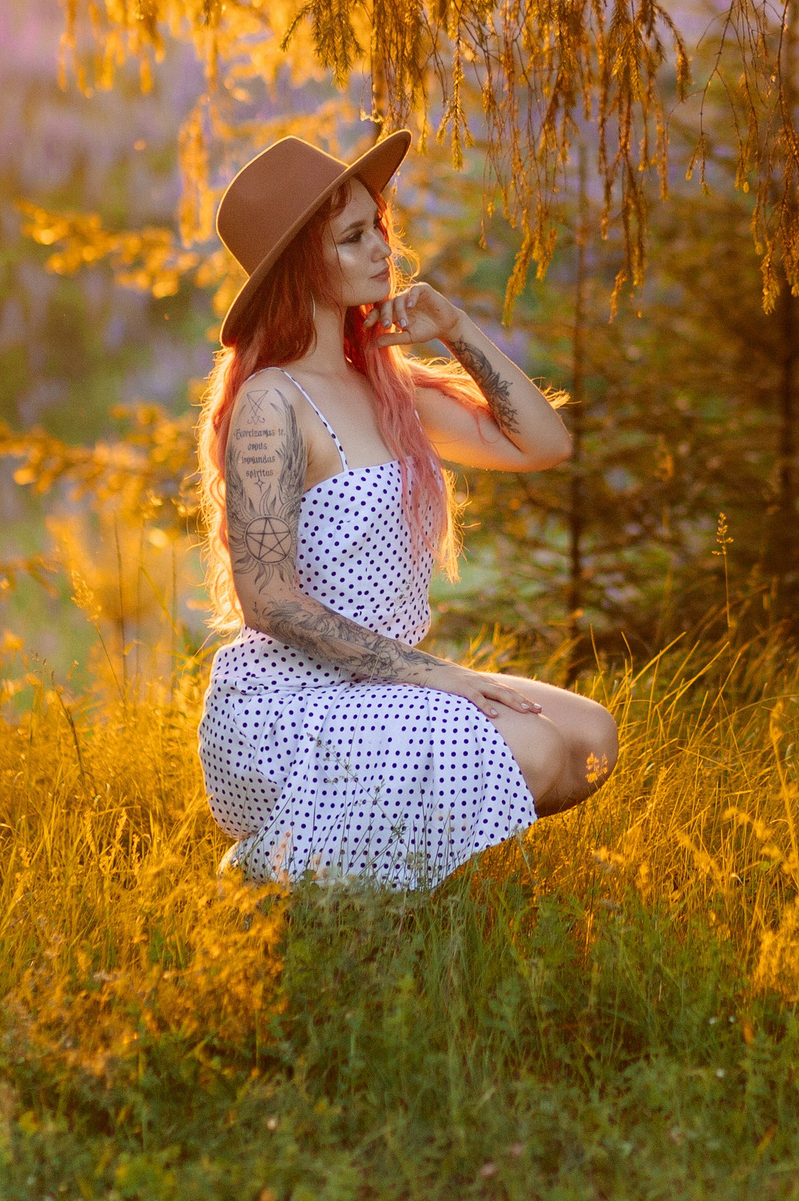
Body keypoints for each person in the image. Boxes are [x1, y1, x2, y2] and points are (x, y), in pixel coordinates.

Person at [193, 129, 618, 888]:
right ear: (301, 265)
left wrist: (456, 330)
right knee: (539, 751)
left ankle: (362, 862)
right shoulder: (271, 402)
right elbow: (267, 602)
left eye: (377, 228)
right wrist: (438, 676)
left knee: (590, 737)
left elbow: (544, 442)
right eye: (352, 237)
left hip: (380, 689)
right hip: (286, 711)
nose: (383, 251)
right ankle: (286, 868)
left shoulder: (389, 389)